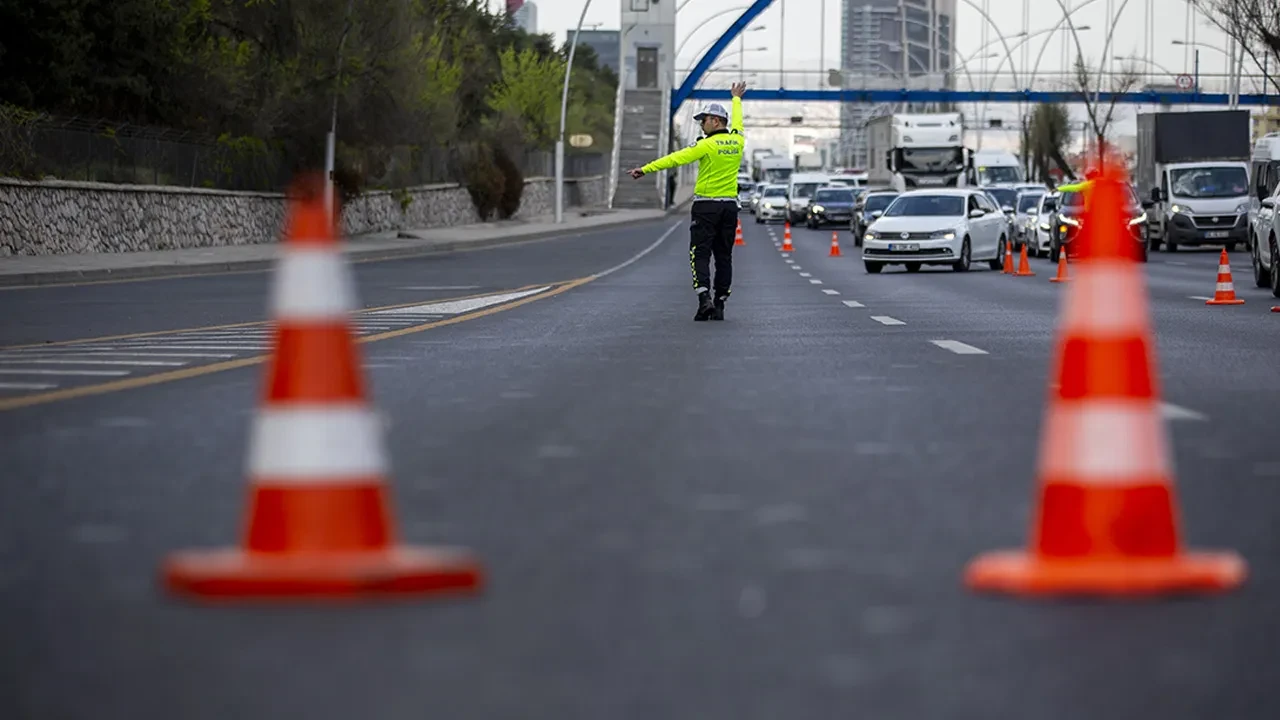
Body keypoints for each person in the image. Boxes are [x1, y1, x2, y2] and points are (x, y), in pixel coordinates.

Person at [629, 82, 747, 321]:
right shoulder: (738, 141)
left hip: (706, 207)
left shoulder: (706, 145)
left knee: (699, 254)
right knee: (724, 256)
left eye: (703, 120)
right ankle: (721, 303)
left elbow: (675, 159)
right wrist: (736, 99)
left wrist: (646, 169)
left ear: (715, 121)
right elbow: (739, 123)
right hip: (729, 208)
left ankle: (704, 299)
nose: (701, 125)